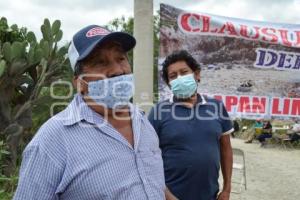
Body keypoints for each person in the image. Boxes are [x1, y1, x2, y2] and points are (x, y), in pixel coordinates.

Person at [13, 25, 167, 200]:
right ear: (79, 83)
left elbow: (153, 184)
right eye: (100, 62)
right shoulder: (52, 142)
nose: (117, 70)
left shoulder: (142, 121)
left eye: (121, 58)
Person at [148, 50, 233, 200]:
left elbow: (226, 149)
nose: (179, 78)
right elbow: (148, 158)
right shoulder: (159, 112)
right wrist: (166, 195)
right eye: (173, 76)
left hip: (210, 195)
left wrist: (226, 189)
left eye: (184, 72)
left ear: (197, 74)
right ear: (169, 84)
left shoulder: (217, 107)